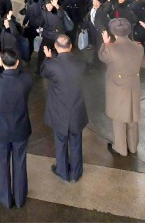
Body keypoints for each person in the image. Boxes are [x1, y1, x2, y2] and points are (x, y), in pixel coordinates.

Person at [0, 48, 33, 209]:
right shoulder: (26, 80)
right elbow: (21, 73)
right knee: (20, 162)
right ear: (18, 62)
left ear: (2, 63)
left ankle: (4, 197)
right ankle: (19, 198)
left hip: (1, 130)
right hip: (20, 128)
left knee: (2, 162)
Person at [41, 35, 87, 183]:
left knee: (60, 141)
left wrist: (48, 58)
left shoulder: (51, 65)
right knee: (76, 141)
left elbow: (43, 72)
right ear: (71, 46)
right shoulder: (80, 63)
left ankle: (62, 171)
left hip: (59, 111)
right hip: (77, 110)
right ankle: (76, 172)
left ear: (55, 46)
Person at [98, 18, 144, 157]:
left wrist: (105, 43)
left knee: (119, 118)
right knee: (132, 117)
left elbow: (102, 57)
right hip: (134, 86)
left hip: (118, 88)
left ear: (113, 32)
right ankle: (133, 146)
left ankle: (120, 148)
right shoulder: (139, 47)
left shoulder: (111, 49)